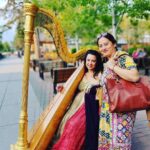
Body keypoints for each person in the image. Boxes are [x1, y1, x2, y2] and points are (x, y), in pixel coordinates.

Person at [52, 50, 103, 150]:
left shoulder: (100, 74)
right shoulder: (81, 73)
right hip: (76, 104)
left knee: (74, 125)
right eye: (88, 60)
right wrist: (62, 88)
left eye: (93, 61)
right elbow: (72, 89)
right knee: (67, 122)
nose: (90, 63)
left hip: (90, 105)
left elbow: (101, 91)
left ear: (97, 62)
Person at [97, 32, 140, 150]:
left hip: (122, 109)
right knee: (109, 144)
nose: (103, 48)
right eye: (100, 46)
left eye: (106, 44)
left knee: (119, 145)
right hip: (108, 109)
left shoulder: (122, 57)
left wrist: (113, 67)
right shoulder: (108, 60)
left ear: (114, 44)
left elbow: (135, 76)